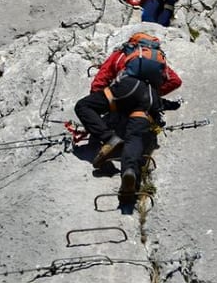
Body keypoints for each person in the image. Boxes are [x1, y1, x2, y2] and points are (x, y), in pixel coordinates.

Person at [74, 33, 182, 198]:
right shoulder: (157, 60)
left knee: (83, 106)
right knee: (135, 137)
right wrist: (153, 93)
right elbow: (175, 81)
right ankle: (130, 173)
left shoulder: (124, 52)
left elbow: (102, 79)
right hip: (149, 99)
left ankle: (110, 138)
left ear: (133, 42)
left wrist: (98, 110)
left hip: (127, 89)